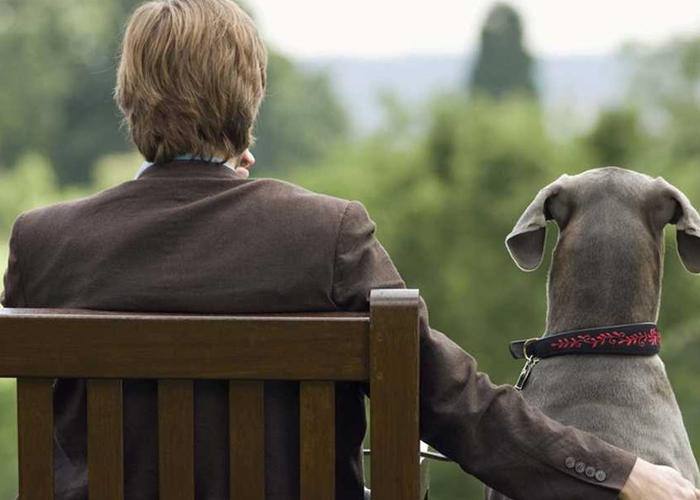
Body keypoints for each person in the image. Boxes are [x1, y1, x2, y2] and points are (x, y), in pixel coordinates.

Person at [1, 1, 698, 499]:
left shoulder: (44, 244)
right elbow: (457, 405)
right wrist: (621, 471)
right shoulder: (324, 234)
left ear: (127, 100)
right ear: (251, 101)